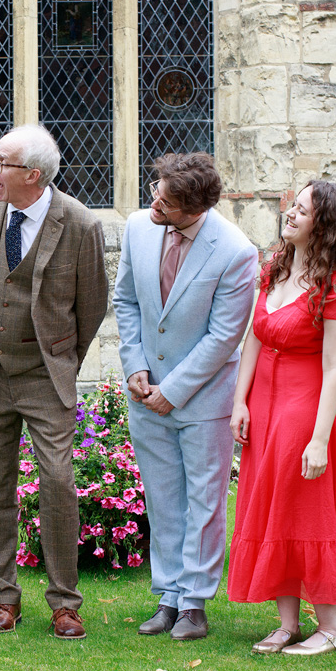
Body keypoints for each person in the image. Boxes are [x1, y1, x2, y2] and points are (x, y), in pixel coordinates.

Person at [0, 125, 107, 640]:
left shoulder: (81, 224)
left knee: (59, 482)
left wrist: (61, 359)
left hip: (46, 376)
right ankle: (5, 598)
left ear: (33, 175)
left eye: (0, 163)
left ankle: (65, 602)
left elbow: (92, 307)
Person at [113, 152, 257, 642]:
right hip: (144, 389)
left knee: (204, 499)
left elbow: (224, 336)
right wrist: (135, 366)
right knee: (162, 495)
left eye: (168, 202)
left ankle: (194, 602)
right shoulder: (138, 226)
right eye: (156, 190)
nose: (156, 203)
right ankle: (168, 595)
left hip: (204, 397)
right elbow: (126, 300)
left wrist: (172, 392)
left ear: (195, 208)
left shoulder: (236, 251)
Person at [227, 181, 336, 655]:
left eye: (301, 210)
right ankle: (287, 623)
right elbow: (254, 336)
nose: (289, 214)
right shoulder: (276, 269)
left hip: (304, 407)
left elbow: (335, 369)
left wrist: (318, 439)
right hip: (264, 406)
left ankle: (333, 625)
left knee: (304, 510)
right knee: (271, 506)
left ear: (323, 225)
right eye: (293, 205)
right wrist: (240, 401)